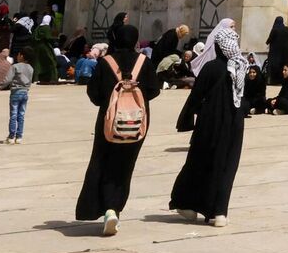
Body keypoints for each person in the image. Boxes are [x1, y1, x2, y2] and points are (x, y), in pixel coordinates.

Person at [75, 23, 158, 237]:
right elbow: (154, 90)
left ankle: (104, 208)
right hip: (136, 125)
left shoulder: (105, 62)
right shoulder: (144, 62)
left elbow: (94, 94)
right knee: (125, 167)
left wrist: (110, 101)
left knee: (102, 162)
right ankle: (115, 208)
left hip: (109, 123)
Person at [170, 22, 247, 227]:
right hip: (234, 125)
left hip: (210, 123)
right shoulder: (241, 68)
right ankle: (219, 212)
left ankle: (188, 205)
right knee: (226, 165)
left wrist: (189, 116)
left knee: (200, 161)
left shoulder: (211, 68)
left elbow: (196, 96)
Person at [5, 46, 35, 143]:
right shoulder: (31, 68)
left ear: (21, 56)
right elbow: (29, 81)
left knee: (13, 114)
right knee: (21, 115)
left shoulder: (15, 66)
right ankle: (19, 136)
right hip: (25, 92)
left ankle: (11, 136)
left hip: (15, 92)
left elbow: (8, 79)